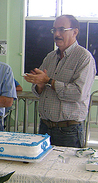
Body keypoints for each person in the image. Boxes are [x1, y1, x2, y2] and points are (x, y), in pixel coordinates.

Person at [24, 15, 96, 148]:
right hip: (45, 127)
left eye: (62, 29)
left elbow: (78, 93)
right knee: (41, 168)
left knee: (65, 169)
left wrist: (49, 81)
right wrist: (39, 85)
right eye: (54, 30)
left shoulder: (84, 58)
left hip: (68, 131)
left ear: (75, 32)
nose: (57, 34)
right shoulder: (50, 57)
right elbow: (39, 91)